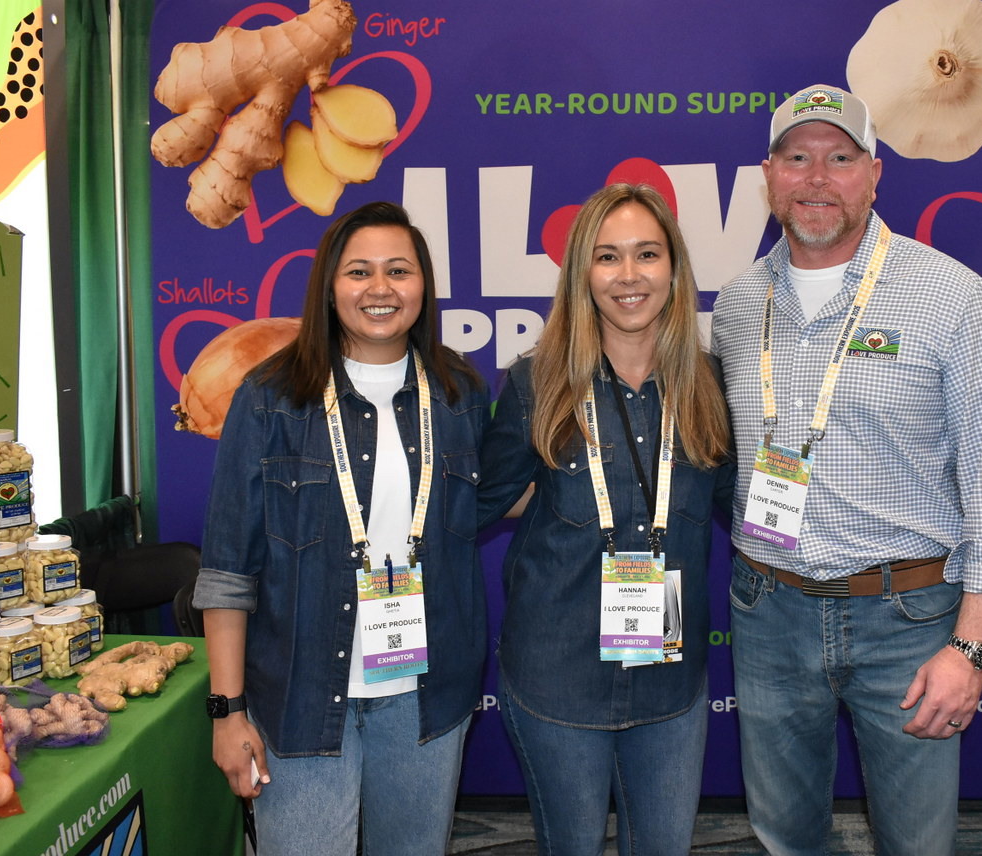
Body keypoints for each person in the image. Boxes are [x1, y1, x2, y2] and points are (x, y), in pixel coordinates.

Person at [710, 85, 982, 856]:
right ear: (769, 176)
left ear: (874, 174)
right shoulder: (737, 305)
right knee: (784, 835)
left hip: (907, 617)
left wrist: (971, 648)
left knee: (916, 842)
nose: (816, 178)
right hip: (769, 609)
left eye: (840, 158)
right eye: (797, 158)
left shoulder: (950, 295)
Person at [193, 201, 489, 854]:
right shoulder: (270, 397)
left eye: (398, 270)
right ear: (329, 286)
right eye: (359, 271)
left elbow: (492, 503)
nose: (380, 288)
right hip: (300, 697)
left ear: (423, 285)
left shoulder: (459, 392)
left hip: (424, 698)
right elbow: (227, 570)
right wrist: (228, 711)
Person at [479, 183, 734, 854]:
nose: (629, 275)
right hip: (557, 679)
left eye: (647, 254)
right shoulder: (536, 383)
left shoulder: (711, 385)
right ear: (582, 274)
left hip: (671, 683)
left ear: (673, 269)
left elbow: (746, 509)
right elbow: (474, 502)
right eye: (607, 256)